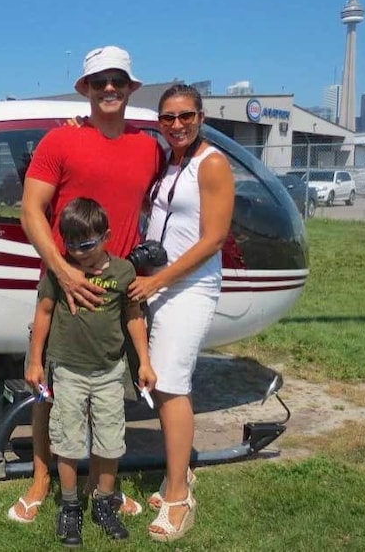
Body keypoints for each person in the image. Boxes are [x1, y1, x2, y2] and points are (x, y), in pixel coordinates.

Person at [8, 45, 164, 524]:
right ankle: (41, 480)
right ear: (86, 89)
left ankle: (103, 491)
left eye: (118, 80)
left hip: (120, 290)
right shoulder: (60, 142)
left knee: (109, 391)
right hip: (66, 283)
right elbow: (30, 211)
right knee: (50, 389)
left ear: (131, 87)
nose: (110, 88)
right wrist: (63, 271)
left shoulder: (149, 146)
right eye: (100, 82)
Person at [128, 84, 235, 542]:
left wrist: (158, 280)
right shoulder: (172, 161)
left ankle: (178, 496)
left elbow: (212, 239)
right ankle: (179, 474)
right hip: (162, 283)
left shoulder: (211, 164)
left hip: (188, 286)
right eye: (168, 117)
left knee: (172, 384)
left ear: (201, 116)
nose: (177, 124)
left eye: (185, 115)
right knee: (159, 383)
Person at [29, 197, 156, 546]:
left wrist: (144, 361)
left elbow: (133, 317)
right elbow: (43, 313)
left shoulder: (122, 273)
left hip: (109, 372)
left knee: (111, 441)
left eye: (86, 244)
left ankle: (104, 502)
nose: (79, 253)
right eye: (70, 245)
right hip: (68, 371)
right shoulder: (61, 271)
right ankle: (70, 506)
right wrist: (35, 360)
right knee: (68, 441)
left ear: (107, 236)